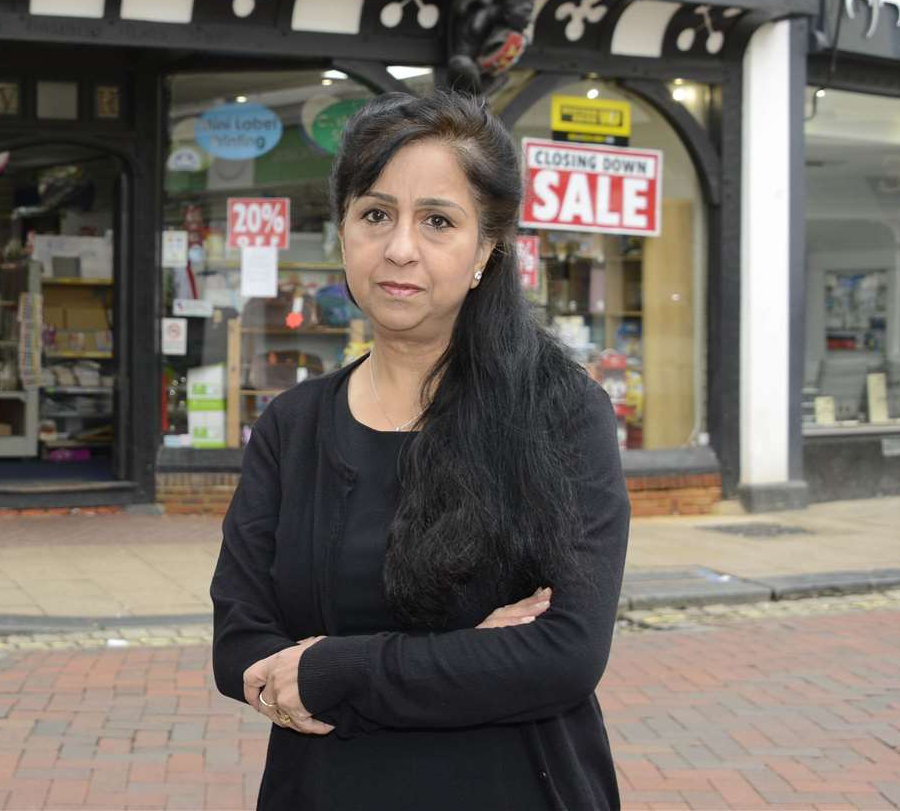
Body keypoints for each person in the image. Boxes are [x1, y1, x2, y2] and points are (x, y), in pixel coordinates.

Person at [211, 89, 630, 810]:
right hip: (324, 790)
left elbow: (563, 654)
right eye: (375, 214)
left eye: (437, 220)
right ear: (342, 232)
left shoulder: (558, 414)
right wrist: (468, 652)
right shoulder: (293, 425)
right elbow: (239, 647)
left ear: (486, 249)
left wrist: (331, 664)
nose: (399, 248)